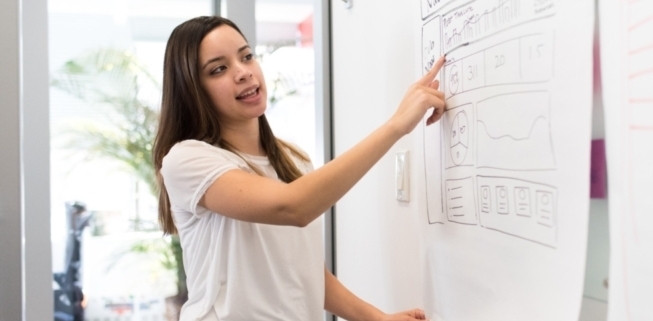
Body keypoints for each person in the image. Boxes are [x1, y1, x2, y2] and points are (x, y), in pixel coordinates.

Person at [152, 16, 445, 321]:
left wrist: (378, 318)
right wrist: (396, 126)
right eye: (218, 69)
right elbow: (293, 207)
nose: (242, 72)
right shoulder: (186, 159)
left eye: (246, 56)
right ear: (192, 90)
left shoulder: (293, 159)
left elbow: (305, 271)